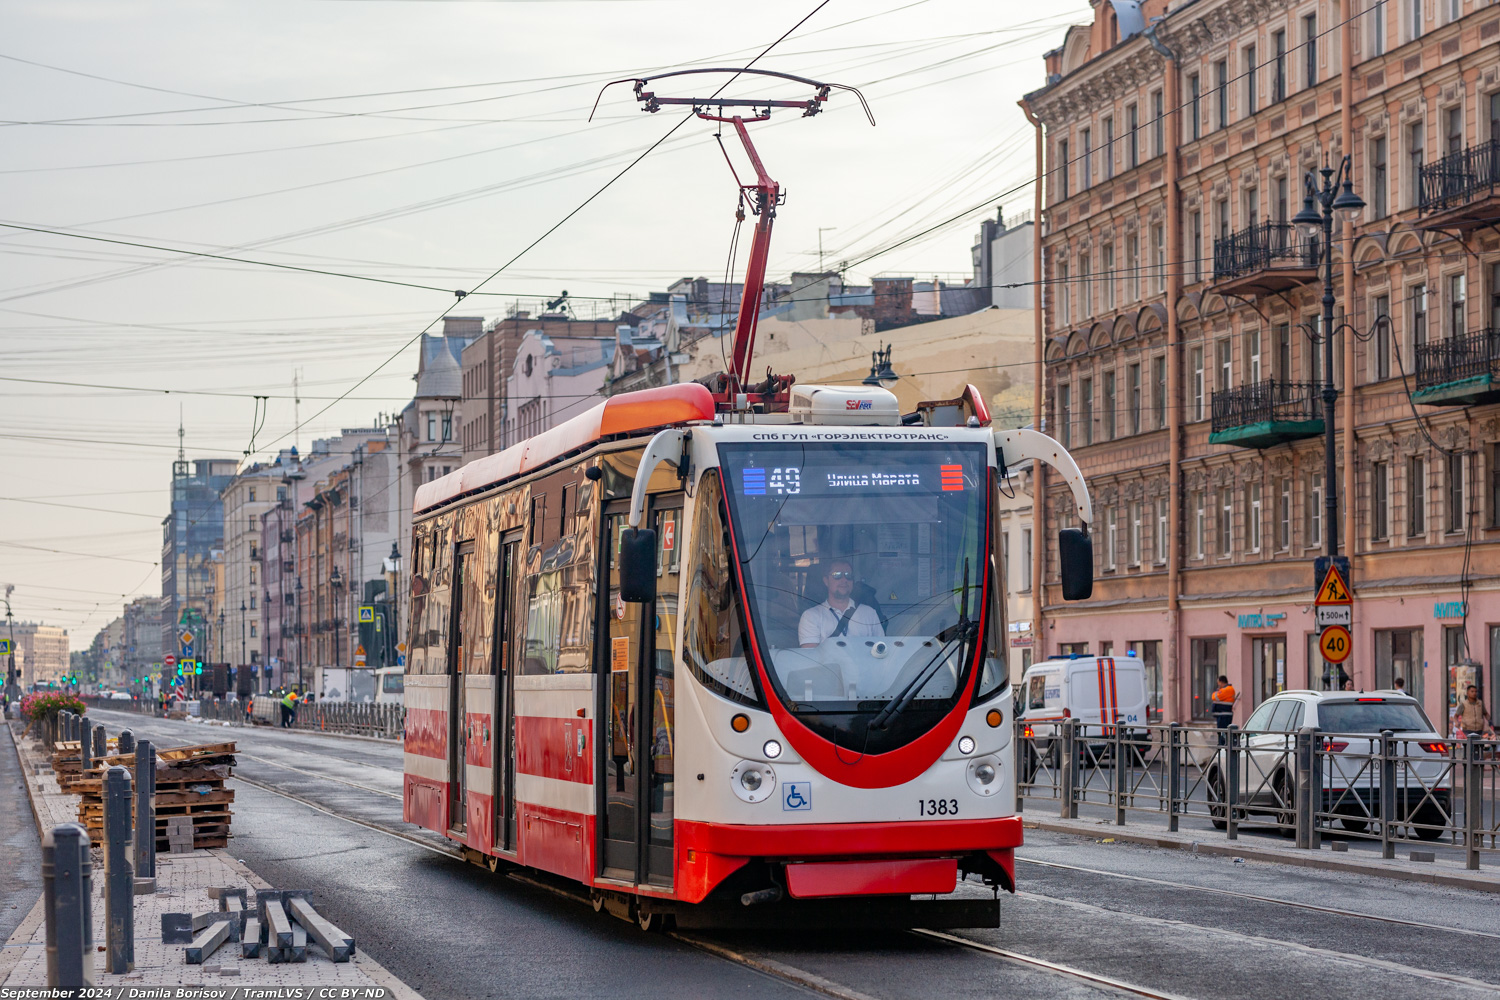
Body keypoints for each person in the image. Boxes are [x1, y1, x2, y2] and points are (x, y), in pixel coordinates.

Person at [799, 559, 884, 648]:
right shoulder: (811, 616)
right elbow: (811, 656)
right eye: (837, 575)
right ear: (826, 581)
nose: (844, 580)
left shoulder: (869, 613)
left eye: (848, 575)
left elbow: (881, 650)